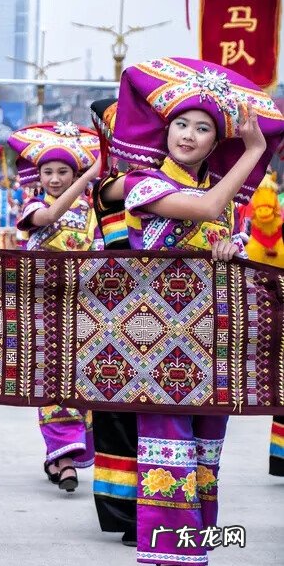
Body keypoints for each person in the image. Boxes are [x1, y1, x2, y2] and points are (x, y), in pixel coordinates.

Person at [113, 57, 284, 566]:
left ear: (215, 142)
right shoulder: (144, 183)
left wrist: (233, 247)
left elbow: (224, 226)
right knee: (168, 457)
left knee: (206, 459)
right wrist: (255, 151)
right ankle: (168, 558)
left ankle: (198, 549)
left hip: (212, 341)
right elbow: (206, 210)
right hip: (158, 342)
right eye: (181, 124)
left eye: (202, 128)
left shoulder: (230, 203)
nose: (187, 135)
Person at [11, 121, 101, 493]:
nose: (54, 178)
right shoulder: (35, 205)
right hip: (44, 309)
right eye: (47, 171)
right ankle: (63, 459)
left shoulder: (93, 211)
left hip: (85, 309)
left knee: (84, 382)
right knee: (51, 381)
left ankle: (65, 454)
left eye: (63, 171)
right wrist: (89, 177)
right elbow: (49, 219)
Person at [88, 97, 139, 546]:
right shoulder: (114, 185)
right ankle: (126, 511)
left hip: (178, 315)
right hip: (119, 313)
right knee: (120, 411)